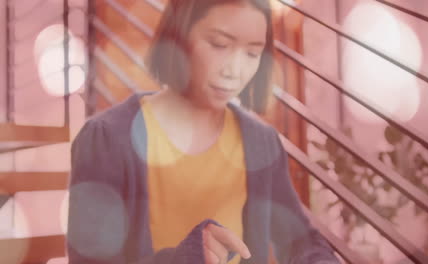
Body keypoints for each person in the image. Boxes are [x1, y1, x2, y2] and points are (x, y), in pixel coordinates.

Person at [66, 0, 340, 263]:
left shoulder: (261, 142)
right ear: (178, 36)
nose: (234, 70)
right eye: (219, 45)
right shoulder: (106, 140)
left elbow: (301, 242)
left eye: (252, 53)